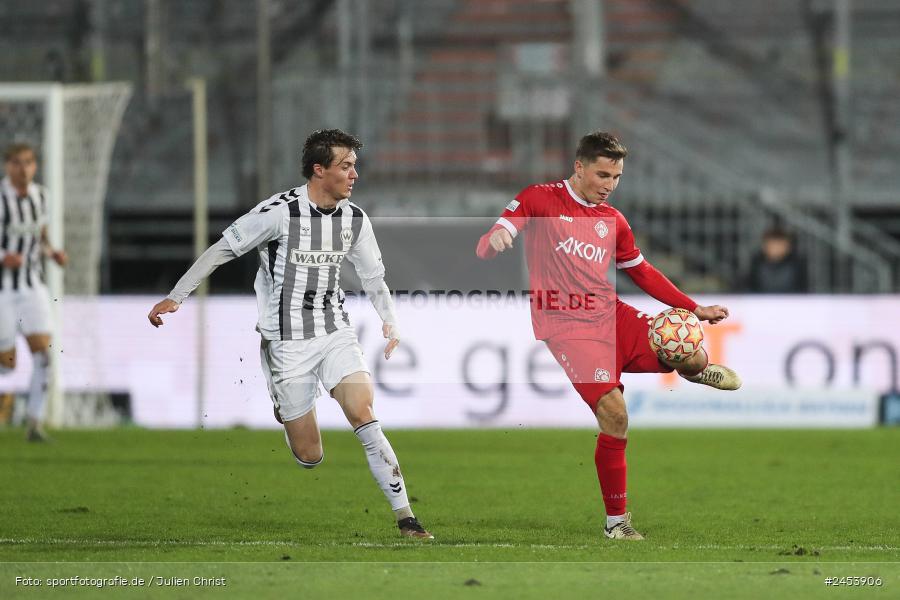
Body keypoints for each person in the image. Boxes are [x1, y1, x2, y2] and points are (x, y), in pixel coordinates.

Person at [148, 129, 432, 539]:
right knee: (309, 455)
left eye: (355, 165)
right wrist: (177, 297)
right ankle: (284, 403)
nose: (355, 174)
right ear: (319, 170)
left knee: (364, 414)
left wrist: (390, 321)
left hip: (334, 331)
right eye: (346, 166)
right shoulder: (278, 212)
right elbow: (223, 248)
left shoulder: (355, 219)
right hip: (286, 342)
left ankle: (407, 518)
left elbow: (373, 276)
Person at [475, 131, 741, 540]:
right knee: (616, 414)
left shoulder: (612, 221)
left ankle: (692, 371)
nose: (609, 185)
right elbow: (487, 245)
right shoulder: (539, 199)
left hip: (611, 315)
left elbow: (642, 270)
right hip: (567, 327)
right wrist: (499, 238)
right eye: (602, 175)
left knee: (692, 353)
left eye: (616, 177)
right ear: (578, 167)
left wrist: (694, 308)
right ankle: (617, 524)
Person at [0, 143, 68, 442]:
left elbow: (40, 234)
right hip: (3, 289)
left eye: (28, 162)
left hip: (32, 286)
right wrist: (3, 257)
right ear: (7, 166)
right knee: (8, 363)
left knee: (44, 355)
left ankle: (34, 425)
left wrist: (52, 252)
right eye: (17, 163)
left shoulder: (41, 196)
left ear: (35, 166)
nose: (23, 169)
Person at [743, 225, 808, 293]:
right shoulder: (756, 263)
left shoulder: (797, 264)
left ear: (788, 246)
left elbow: (802, 290)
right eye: (773, 245)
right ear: (765, 246)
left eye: (779, 245)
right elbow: (750, 287)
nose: (776, 249)